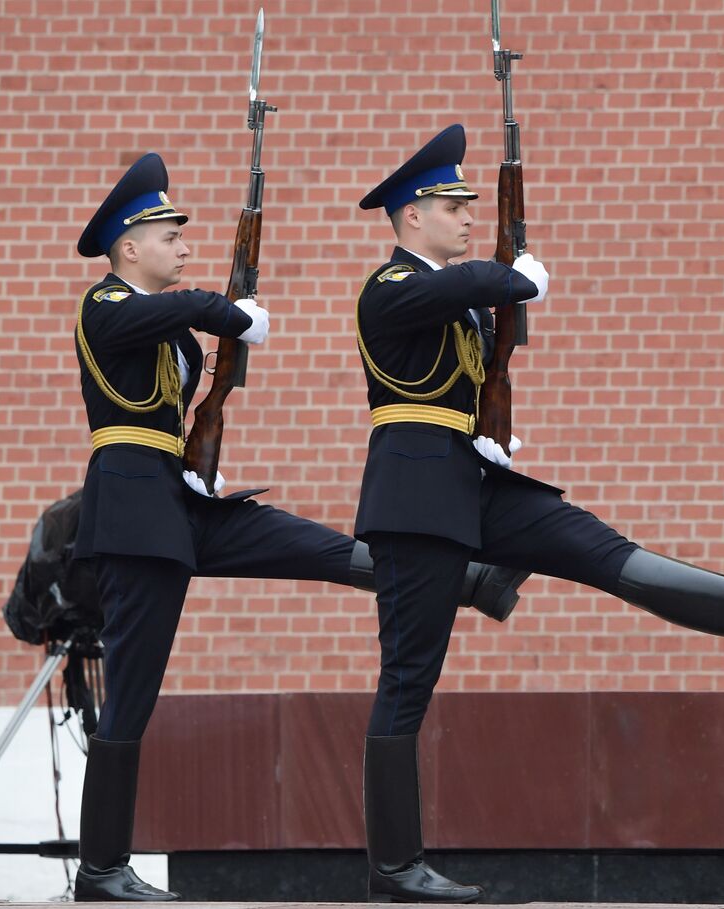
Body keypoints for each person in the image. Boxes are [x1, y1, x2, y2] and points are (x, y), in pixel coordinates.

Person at [350, 123, 724, 903]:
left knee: (594, 543)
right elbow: (455, 291)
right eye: (452, 206)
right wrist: (512, 277)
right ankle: (395, 867)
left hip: (477, 482)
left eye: (471, 205)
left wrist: (492, 418)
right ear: (410, 217)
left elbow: (476, 355)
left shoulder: (461, 293)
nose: (467, 217)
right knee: (409, 676)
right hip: (414, 503)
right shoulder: (390, 285)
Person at [70, 153, 525, 901]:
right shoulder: (105, 305)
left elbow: (179, 384)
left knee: (300, 541)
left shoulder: (163, 323)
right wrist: (227, 312)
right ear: (126, 248)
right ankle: (101, 868)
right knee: (132, 694)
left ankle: (464, 579)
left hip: (182, 502)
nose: (184, 245)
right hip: (134, 516)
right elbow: (169, 319)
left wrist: (202, 443)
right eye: (169, 235)